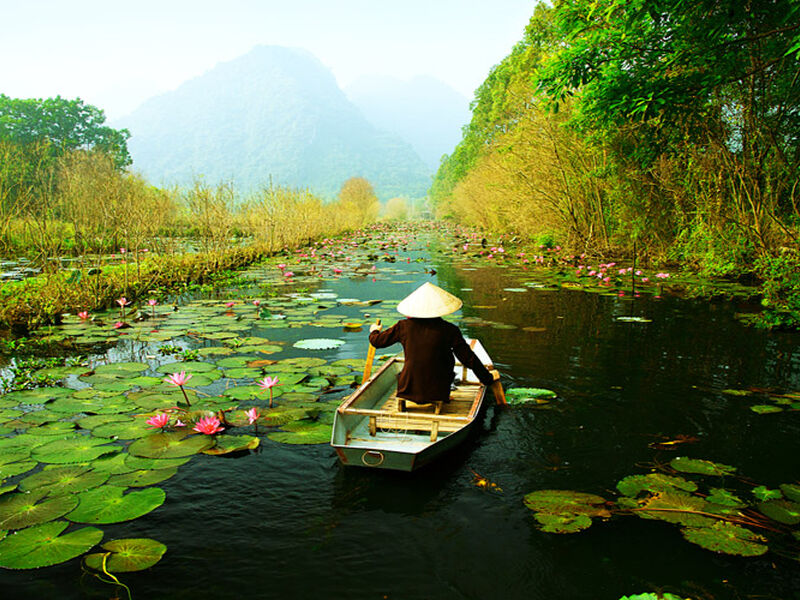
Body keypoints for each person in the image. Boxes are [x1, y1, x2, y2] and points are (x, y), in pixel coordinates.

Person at [368, 282, 497, 411]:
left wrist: (374, 330)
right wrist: (487, 378)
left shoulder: (403, 327)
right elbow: (468, 358)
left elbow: (377, 341)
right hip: (438, 389)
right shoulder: (450, 330)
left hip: (408, 387)